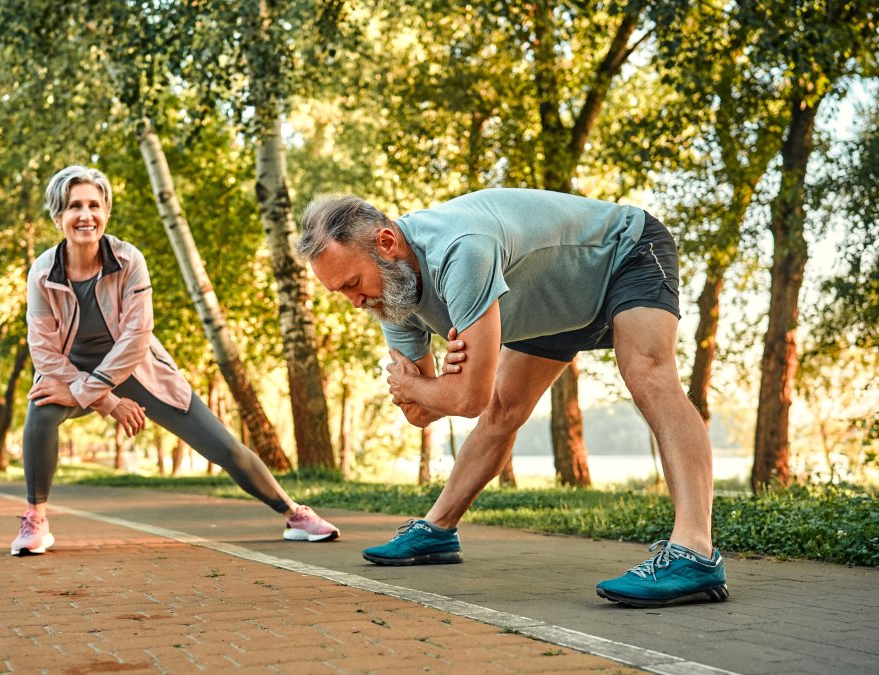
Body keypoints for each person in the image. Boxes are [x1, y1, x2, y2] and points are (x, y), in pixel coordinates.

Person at [296, 188, 727, 608]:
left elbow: (465, 399)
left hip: (623, 255)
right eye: (342, 292)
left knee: (648, 375)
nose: (355, 302)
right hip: (552, 303)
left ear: (386, 243)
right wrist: (429, 392)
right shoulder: (391, 298)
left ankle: (695, 552)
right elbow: (421, 414)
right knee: (506, 409)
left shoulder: (460, 250)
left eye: (353, 283)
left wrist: (420, 387)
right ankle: (437, 531)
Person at [12, 165, 339, 556]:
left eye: (94, 205)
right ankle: (35, 520)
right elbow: (44, 352)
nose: (86, 215)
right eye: (74, 206)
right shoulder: (42, 273)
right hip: (68, 373)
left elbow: (135, 340)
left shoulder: (128, 260)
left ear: (106, 212)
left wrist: (98, 391)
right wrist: (107, 400)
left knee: (223, 445)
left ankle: (294, 513)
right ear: (58, 216)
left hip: (137, 369)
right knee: (41, 408)